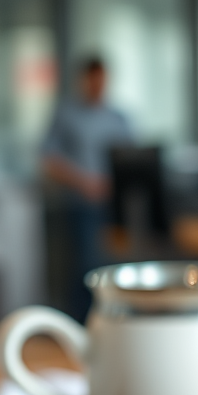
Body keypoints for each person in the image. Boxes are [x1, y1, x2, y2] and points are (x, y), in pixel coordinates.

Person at [42, 56, 133, 321]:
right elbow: (49, 159)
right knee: (85, 267)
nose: (98, 85)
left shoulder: (118, 118)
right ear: (83, 80)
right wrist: (84, 182)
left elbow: (133, 158)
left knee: (113, 266)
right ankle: (81, 325)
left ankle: (111, 320)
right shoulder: (67, 115)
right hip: (80, 204)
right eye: (93, 79)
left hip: (113, 204)